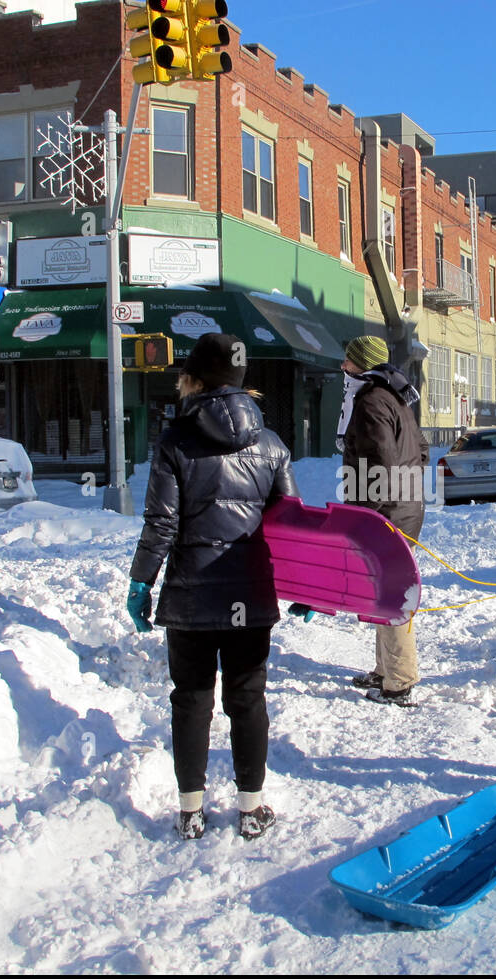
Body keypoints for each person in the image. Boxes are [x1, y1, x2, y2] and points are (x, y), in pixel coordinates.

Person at [126, 333, 298, 842]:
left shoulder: (174, 441)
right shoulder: (271, 445)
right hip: (252, 593)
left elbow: (161, 522)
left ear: (194, 380)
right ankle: (250, 808)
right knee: (248, 698)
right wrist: (307, 585)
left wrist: (141, 583)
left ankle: (191, 812)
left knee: (192, 698)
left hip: (190, 593)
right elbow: (289, 526)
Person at [340, 335, 428, 706]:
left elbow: (380, 466)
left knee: (391, 593)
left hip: (385, 514)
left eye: (347, 361)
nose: (343, 367)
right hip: (401, 508)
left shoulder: (371, 400)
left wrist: (368, 517)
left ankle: (400, 681)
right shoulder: (394, 396)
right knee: (380, 591)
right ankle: (385, 669)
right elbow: (421, 451)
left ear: (361, 364)